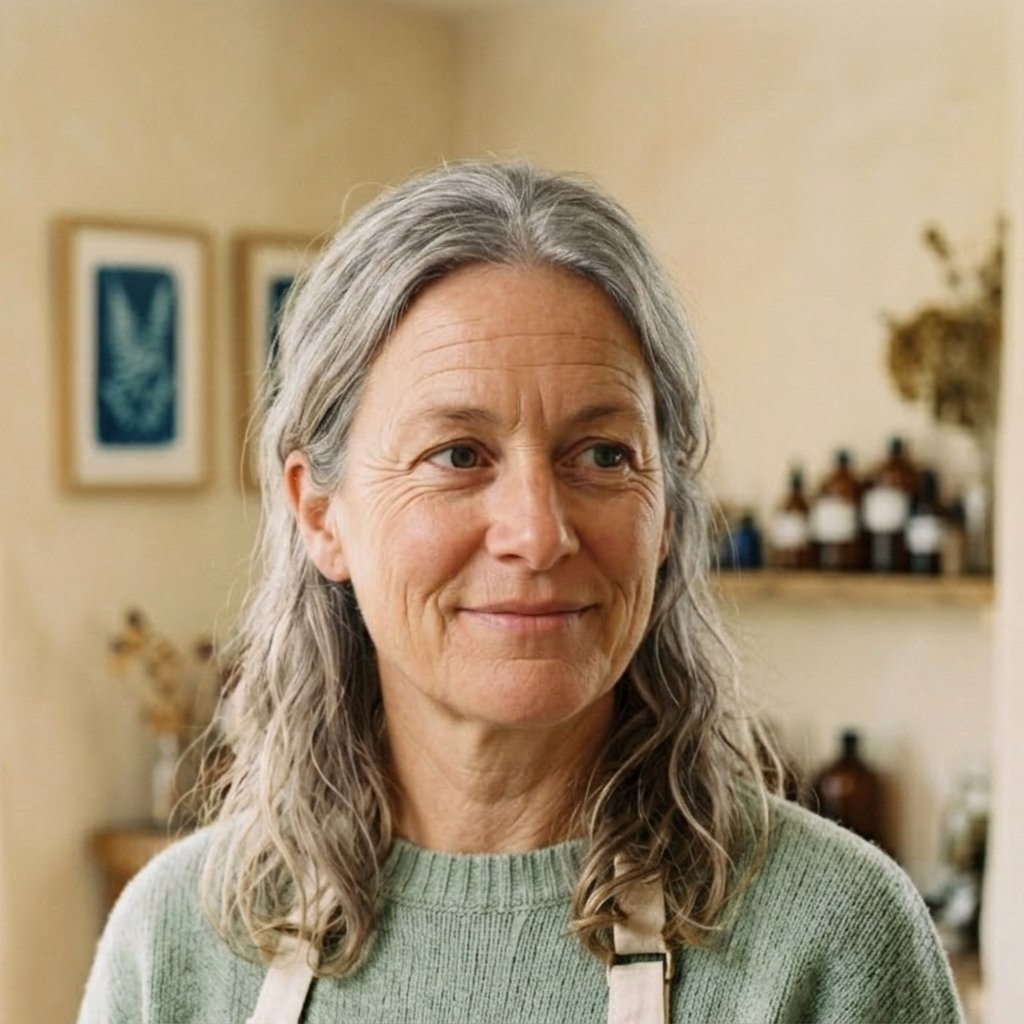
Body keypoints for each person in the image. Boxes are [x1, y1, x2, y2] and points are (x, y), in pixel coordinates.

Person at [77, 161, 963, 1024]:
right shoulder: (177, 945)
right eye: (459, 455)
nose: (539, 533)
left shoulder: (834, 943)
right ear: (320, 512)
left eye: (603, 455)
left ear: (667, 512)